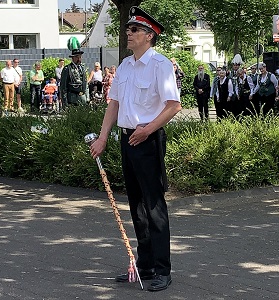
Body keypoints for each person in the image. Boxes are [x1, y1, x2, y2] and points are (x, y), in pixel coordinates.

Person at [90, 6, 181, 292]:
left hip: (148, 140)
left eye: (133, 30)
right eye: (127, 29)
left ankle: (163, 270)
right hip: (126, 139)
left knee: (154, 206)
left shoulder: (160, 65)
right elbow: (113, 104)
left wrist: (148, 129)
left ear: (149, 36)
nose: (127, 33)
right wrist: (103, 137)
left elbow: (173, 106)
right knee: (137, 206)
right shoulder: (126, 65)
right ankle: (145, 264)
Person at [60, 38, 87, 107]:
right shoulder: (67, 69)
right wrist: (65, 103)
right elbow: (63, 87)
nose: (79, 59)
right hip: (72, 99)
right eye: (77, 57)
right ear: (73, 58)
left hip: (82, 99)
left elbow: (85, 84)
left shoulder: (82, 68)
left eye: (80, 57)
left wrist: (87, 98)